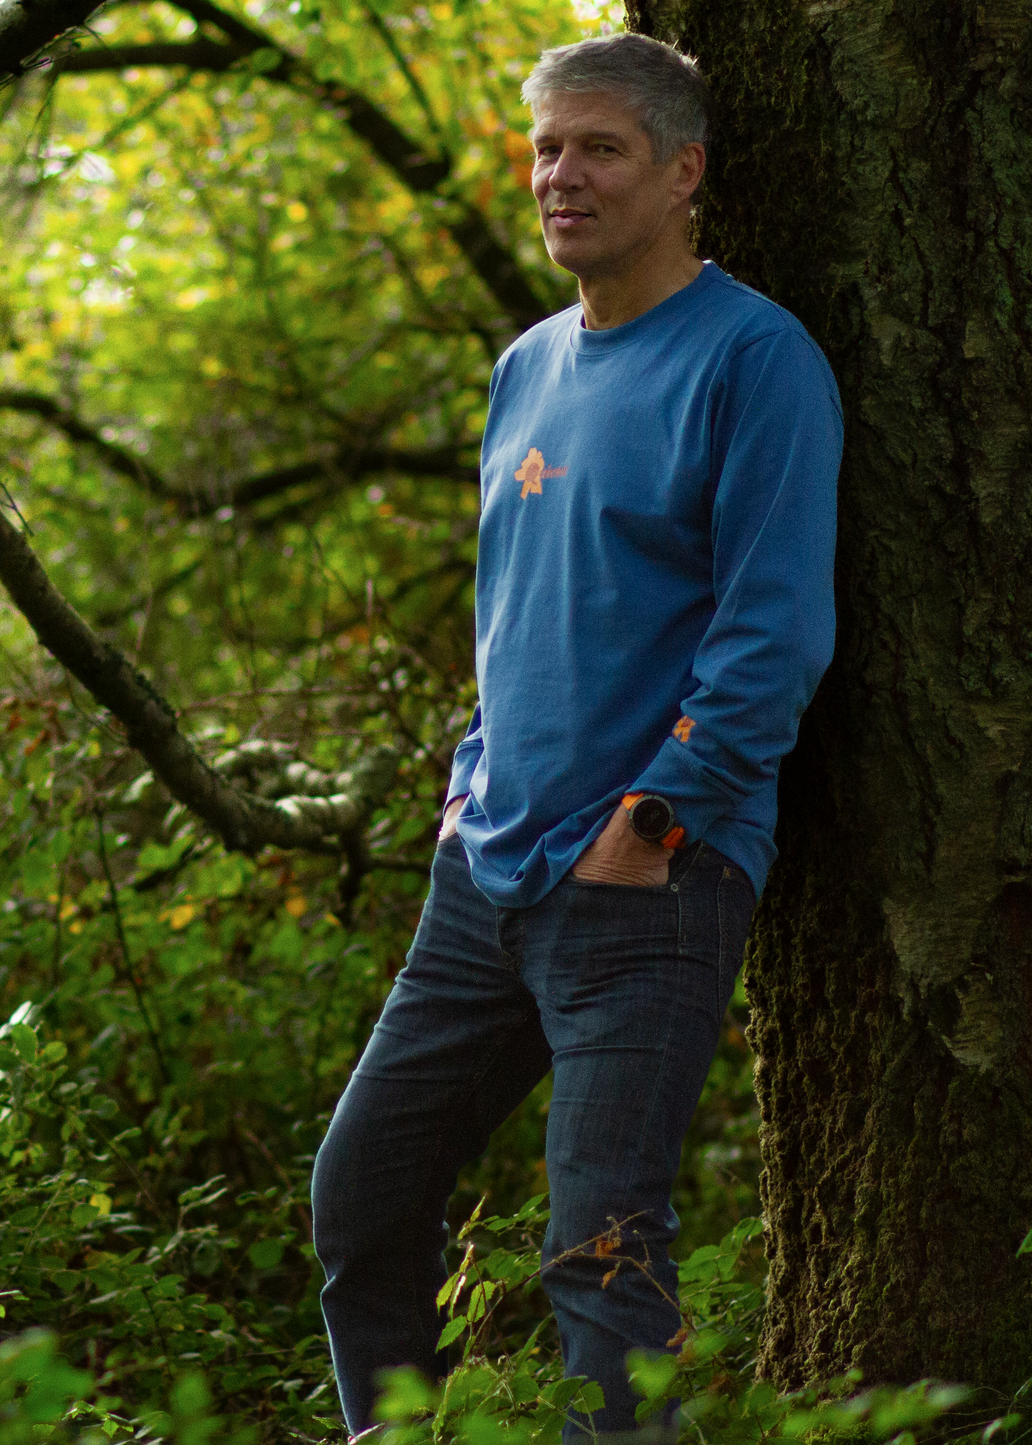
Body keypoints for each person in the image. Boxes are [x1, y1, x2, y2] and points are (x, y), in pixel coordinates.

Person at [310, 31, 842, 1444]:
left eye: (599, 148)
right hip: (484, 873)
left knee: (598, 1255)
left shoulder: (755, 358)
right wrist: (471, 775)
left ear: (684, 173)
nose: (562, 176)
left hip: (649, 883)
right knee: (361, 1196)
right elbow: (513, 605)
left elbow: (773, 630)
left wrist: (652, 822)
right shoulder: (527, 365)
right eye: (547, 147)